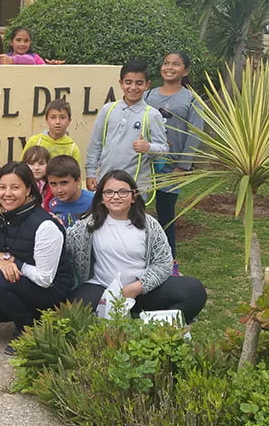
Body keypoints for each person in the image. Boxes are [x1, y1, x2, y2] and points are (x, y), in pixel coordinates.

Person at [0, 162, 73, 354]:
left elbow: (45, 279)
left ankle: (27, 328)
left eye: (15, 187)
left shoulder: (45, 225)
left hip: (49, 290)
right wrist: (0, 261)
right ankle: (27, 312)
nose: (7, 193)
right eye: (2, 187)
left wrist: (12, 261)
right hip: (12, 282)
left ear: (28, 189)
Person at [67, 169, 207, 324]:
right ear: (101, 198)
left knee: (194, 291)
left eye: (123, 192)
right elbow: (64, 243)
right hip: (102, 287)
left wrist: (136, 288)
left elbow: (163, 263)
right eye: (109, 192)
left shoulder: (149, 225)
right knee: (73, 308)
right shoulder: (88, 225)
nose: (116, 196)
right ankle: (120, 321)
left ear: (133, 197)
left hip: (143, 290)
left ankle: (155, 326)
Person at [144, 51, 204, 271]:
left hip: (172, 168)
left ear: (185, 71)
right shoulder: (148, 95)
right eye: (166, 63)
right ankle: (143, 257)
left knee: (166, 214)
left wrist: (183, 166)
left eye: (176, 64)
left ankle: (169, 262)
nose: (169, 67)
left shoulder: (191, 99)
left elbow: (195, 133)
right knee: (139, 211)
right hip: (146, 165)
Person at [84, 59, 169, 198]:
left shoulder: (152, 115)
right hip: (106, 182)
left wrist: (148, 147)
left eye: (139, 83)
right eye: (128, 82)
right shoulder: (108, 110)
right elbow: (96, 144)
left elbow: (164, 150)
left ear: (147, 85)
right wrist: (91, 172)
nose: (133, 87)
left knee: (132, 220)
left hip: (136, 187)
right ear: (121, 83)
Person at [45, 155, 94, 229]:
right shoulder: (53, 204)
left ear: (77, 181)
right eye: (53, 184)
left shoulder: (93, 201)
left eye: (64, 183)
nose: (59, 190)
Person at [0, 27, 64, 65]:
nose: (22, 44)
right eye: (18, 40)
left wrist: (53, 67)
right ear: (11, 42)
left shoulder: (36, 59)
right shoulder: (4, 58)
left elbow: (45, 73)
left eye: (26, 41)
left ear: (30, 42)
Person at [22, 145, 53, 211]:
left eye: (41, 164)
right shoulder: (22, 184)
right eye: (31, 163)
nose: (36, 168)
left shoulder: (52, 185)